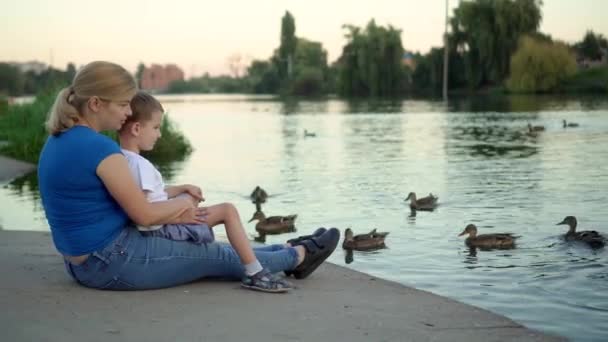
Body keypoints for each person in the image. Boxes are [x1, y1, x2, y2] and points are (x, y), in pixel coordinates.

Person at [37, 61, 340, 293]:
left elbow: (127, 195)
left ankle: (282, 248)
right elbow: (144, 214)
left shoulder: (59, 139)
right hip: (112, 261)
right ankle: (300, 255)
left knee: (216, 248)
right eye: (122, 104)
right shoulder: (100, 148)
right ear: (95, 104)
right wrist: (184, 202)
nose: (127, 112)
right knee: (215, 256)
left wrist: (174, 195)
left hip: (81, 263)